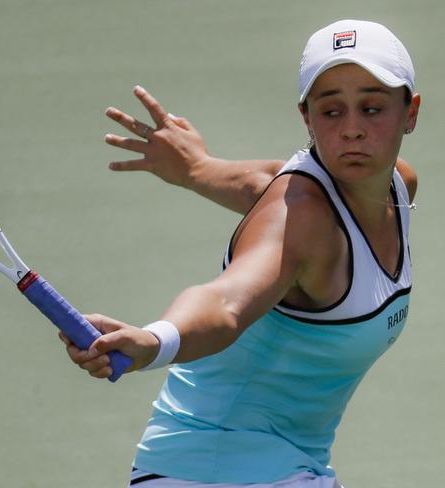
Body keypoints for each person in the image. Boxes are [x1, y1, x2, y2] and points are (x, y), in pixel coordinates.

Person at [60, 19, 421, 487]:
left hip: (289, 467)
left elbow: (262, 181)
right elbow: (227, 303)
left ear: (409, 113)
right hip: (209, 474)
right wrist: (157, 340)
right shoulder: (299, 221)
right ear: (306, 119)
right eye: (331, 112)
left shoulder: (396, 186)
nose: (352, 129)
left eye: (372, 108)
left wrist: (199, 169)